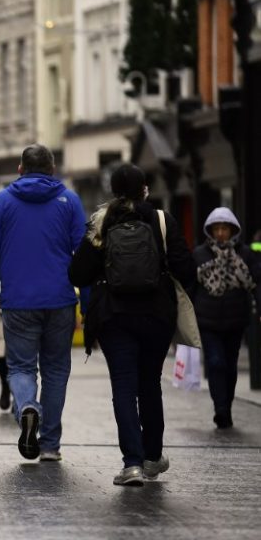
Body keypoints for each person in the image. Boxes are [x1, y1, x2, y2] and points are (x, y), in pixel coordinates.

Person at [69, 164, 196, 485]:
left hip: (115, 316)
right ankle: (153, 456)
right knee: (150, 384)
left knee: (124, 388)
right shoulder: (163, 221)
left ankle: (133, 464)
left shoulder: (100, 223)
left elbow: (77, 274)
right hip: (157, 314)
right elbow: (185, 267)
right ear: (144, 190)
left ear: (113, 191)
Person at [0, 144, 86, 463]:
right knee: (55, 369)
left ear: (20, 169)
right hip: (61, 299)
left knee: (21, 366)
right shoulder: (70, 201)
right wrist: (88, 301)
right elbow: (85, 253)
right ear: (53, 169)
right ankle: (50, 444)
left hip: (18, 300)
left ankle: (25, 406)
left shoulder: (2, 201)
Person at [191, 207, 260, 430]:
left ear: (233, 230)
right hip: (207, 321)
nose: (221, 233)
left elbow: (257, 283)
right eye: (217, 229)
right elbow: (190, 288)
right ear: (210, 231)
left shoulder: (245, 255)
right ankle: (220, 408)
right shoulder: (199, 254)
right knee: (215, 362)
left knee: (230, 366)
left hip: (235, 320)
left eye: (225, 228)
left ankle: (226, 407)